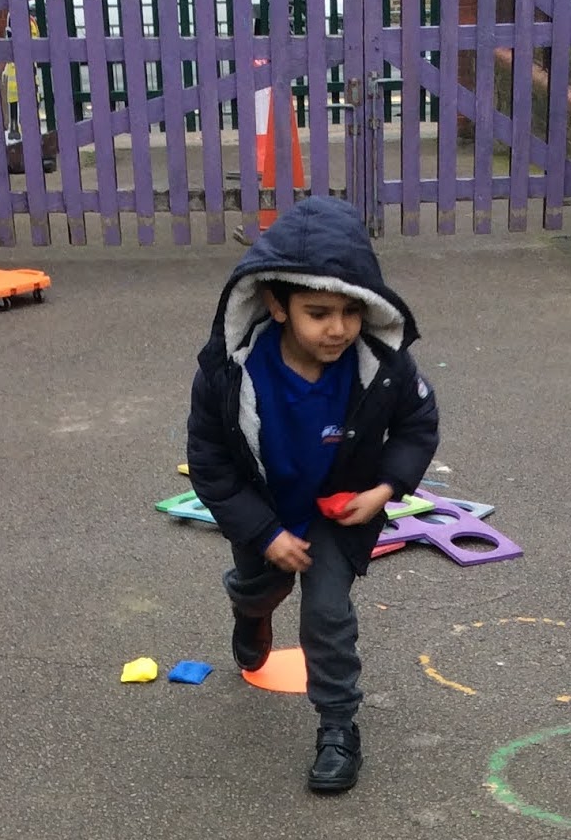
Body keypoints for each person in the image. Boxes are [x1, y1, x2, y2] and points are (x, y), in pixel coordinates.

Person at [186, 198, 439, 793]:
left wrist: (383, 489)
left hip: (336, 513)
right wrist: (264, 532)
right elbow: (211, 463)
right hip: (264, 509)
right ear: (277, 305)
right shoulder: (229, 372)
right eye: (318, 313)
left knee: (327, 613)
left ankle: (338, 727)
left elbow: (417, 426)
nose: (338, 329)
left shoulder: (381, 366)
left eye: (352, 311)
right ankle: (250, 614)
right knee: (263, 586)